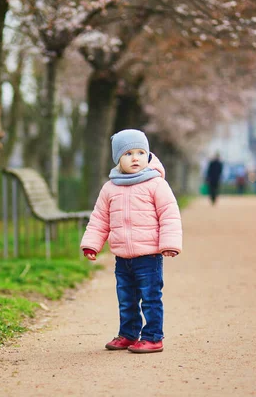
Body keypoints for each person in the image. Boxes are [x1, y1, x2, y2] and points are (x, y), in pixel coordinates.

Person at [80, 129, 183, 354]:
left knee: (150, 298)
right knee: (126, 299)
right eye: (128, 153)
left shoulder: (156, 184)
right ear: (118, 158)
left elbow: (169, 214)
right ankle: (128, 334)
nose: (135, 158)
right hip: (123, 258)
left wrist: (170, 243)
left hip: (149, 256)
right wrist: (92, 244)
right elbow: (99, 219)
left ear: (147, 155)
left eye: (140, 152)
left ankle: (153, 336)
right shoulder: (110, 188)